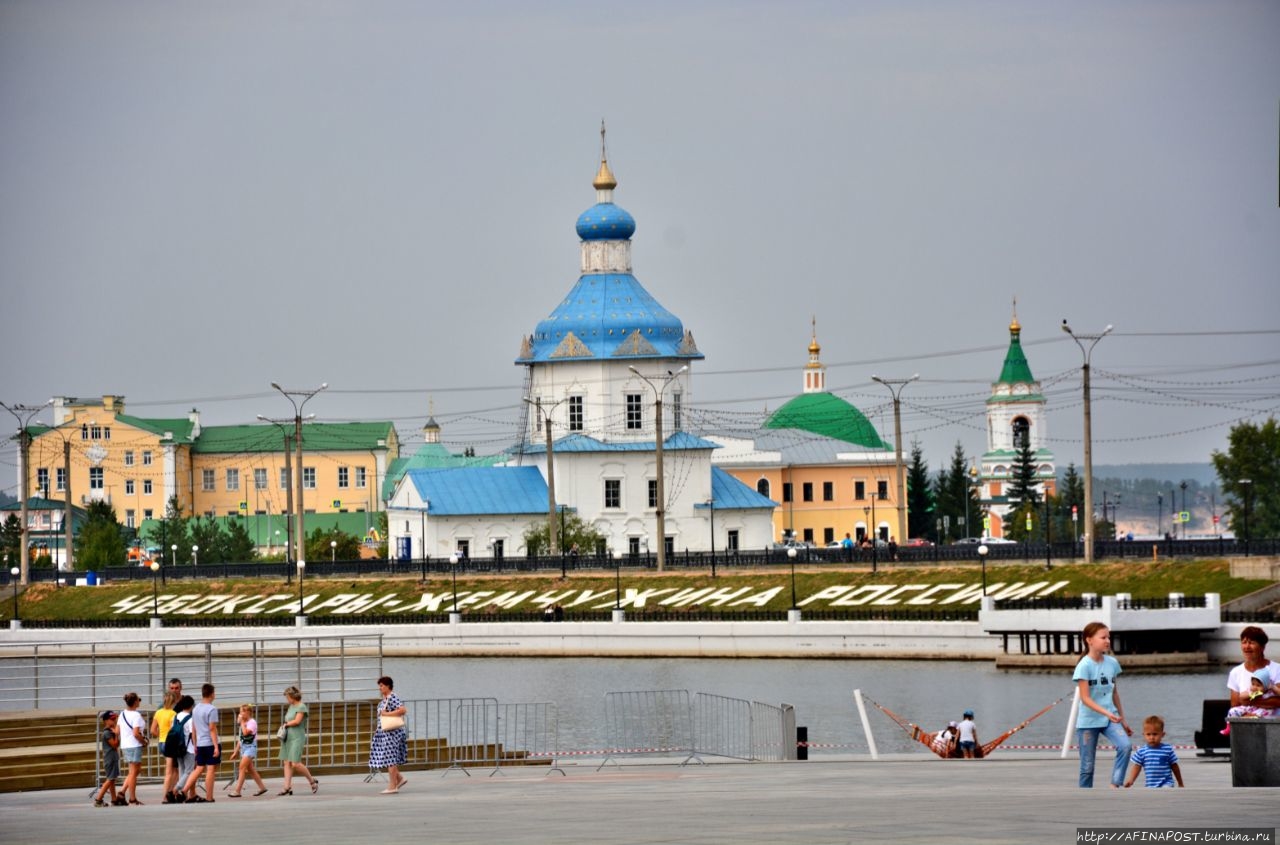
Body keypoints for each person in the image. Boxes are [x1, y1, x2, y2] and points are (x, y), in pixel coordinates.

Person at [1072, 621, 1132, 788]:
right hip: (1088, 722)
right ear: (1089, 640)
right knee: (1087, 767)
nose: (1107, 641)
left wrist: (1122, 719)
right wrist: (1106, 713)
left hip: (1110, 718)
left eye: (1109, 637)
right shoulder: (1084, 666)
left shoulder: (1112, 663)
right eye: (1103, 637)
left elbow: (1114, 693)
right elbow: (1085, 698)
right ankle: (1085, 798)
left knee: (1125, 746)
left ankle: (1115, 785)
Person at [1228, 626, 1280, 713]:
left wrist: (1248, 701)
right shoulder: (1235, 672)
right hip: (1246, 721)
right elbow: (1235, 704)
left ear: (1262, 647)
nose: (1247, 647)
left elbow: (1278, 702)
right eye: (1244, 642)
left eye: (1251, 643)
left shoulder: (1277, 669)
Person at [182, 683, 220, 803]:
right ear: (212, 694)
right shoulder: (212, 709)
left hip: (200, 743)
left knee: (198, 769)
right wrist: (216, 746)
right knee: (210, 769)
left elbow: (194, 728)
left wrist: (195, 743)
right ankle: (209, 797)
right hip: (209, 742)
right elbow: (212, 729)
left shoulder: (196, 708)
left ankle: (184, 790)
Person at [370, 675, 408, 794]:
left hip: (392, 734)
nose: (380, 688)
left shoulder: (392, 697)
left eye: (381, 686)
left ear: (388, 686)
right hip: (385, 734)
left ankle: (392, 786)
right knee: (388, 758)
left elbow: (403, 710)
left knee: (391, 759)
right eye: (379, 686)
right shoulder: (384, 700)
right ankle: (400, 779)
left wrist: (387, 714)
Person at [278, 685, 318, 795]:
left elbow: (297, 721)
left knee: (295, 763)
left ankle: (312, 781)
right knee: (286, 761)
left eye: (287, 697)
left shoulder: (301, 707)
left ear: (292, 696)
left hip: (297, 737)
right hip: (288, 737)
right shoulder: (291, 707)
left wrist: (286, 724)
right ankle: (287, 787)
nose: (287, 699)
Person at [1124, 715, 1183, 788]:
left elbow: (1175, 767)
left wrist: (1180, 782)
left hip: (1166, 783)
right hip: (1150, 785)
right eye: (1148, 734)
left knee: (1165, 792)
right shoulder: (1142, 751)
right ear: (1144, 735)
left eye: (1155, 734)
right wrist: (1131, 780)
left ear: (1162, 734)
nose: (1151, 737)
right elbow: (1136, 767)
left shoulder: (1167, 749)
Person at [228, 703, 269, 797]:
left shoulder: (252, 722)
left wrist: (242, 722)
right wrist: (235, 751)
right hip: (244, 748)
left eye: (243, 711)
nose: (241, 713)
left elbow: (246, 733)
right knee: (251, 770)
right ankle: (262, 788)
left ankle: (237, 791)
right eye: (240, 711)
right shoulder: (244, 723)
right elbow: (241, 738)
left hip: (250, 748)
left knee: (242, 768)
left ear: (248, 712)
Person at [1222, 667, 1279, 733]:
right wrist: (1251, 695)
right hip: (1249, 709)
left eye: (1258, 685)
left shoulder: (1270, 692)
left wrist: (1273, 688)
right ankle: (1229, 727)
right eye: (1253, 684)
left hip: (1262, 712)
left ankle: (1249, 720)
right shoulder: (1251, 691)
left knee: (1263, 716)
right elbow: (1241, 696)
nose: (1254, 687)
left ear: (1266, 686)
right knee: (1233, 711)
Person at [116, 691, 148, 805]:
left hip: (125, 745)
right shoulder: (136, 715)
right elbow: (135, 733)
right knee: (134, 772)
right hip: (134, 745)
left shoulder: (122, 714)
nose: (139, 702)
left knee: (135, 770)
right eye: (139, 700)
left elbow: (117, 731)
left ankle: (122, 792)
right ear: (135, 702)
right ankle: (132, 798)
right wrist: (143, 741)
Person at [164, 695, 195, 803]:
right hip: (188, 748)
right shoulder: (191, 719)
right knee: (189, 771)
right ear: (191, 705)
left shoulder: (175, 717)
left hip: (177, 747)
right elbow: (193, 734)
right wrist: (196, 747)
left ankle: (180, 794)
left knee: (182, 769)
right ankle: (175, 790)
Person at [92, 711, 120, 807]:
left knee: (112, 779)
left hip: (112, 757)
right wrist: (116, 734)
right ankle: (98, 799)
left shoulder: (110, 731)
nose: (114, 721)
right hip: (110, 758)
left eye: (115, 719)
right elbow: (115, 745)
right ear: (106, 721)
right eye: (112, 719)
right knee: (110, 779)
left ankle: (114, 799)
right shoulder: (107, 733)